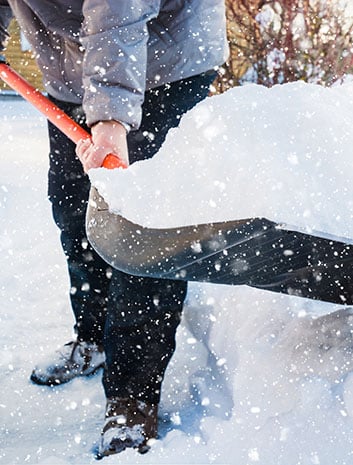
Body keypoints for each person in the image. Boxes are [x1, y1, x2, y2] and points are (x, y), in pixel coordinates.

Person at [0, 0, 228, 457]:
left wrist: (110, 116)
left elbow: (117, 11)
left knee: (142, 232)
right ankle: (93, 338)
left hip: (164, 63)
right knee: (74, 211)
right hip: (74, 68)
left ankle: (132, 396)